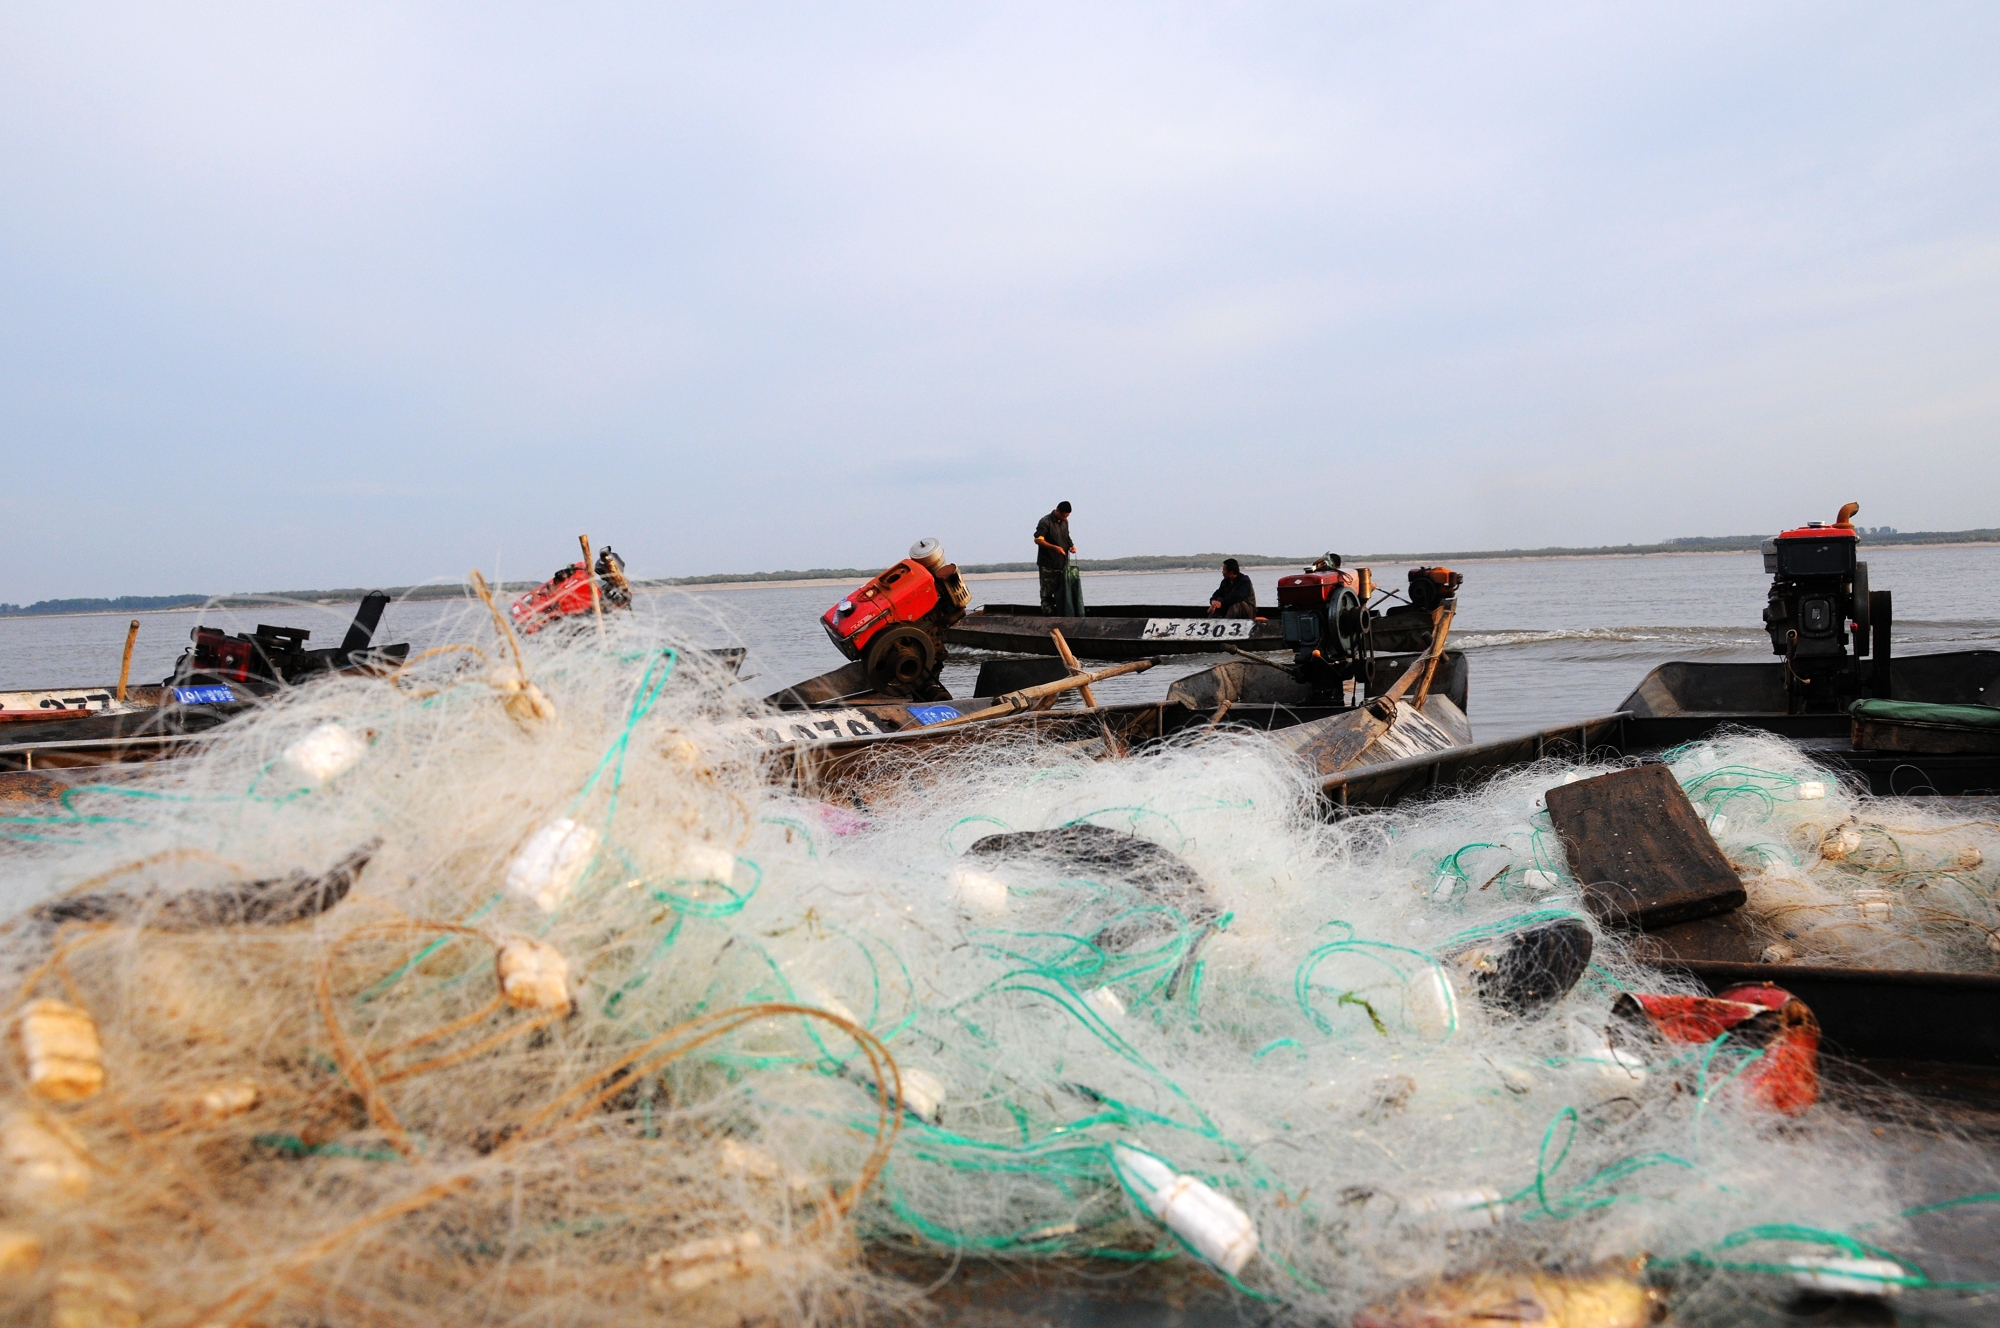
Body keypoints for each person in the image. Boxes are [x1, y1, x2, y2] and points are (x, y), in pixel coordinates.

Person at [1034, 501, 1075, 615]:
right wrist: (1054, 548)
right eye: (1062, 516)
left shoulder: (1065, 521)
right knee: (1047, 593)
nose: (1063, 518)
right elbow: (1038, 540)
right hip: (1048, 564)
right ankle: (1049, 617)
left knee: (1063, 592)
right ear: (1057, 510)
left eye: (1066, 516)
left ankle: (1062, 615)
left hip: (1063, 563)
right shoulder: (1045, 521)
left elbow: (1066, 536)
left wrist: (1071, 546)